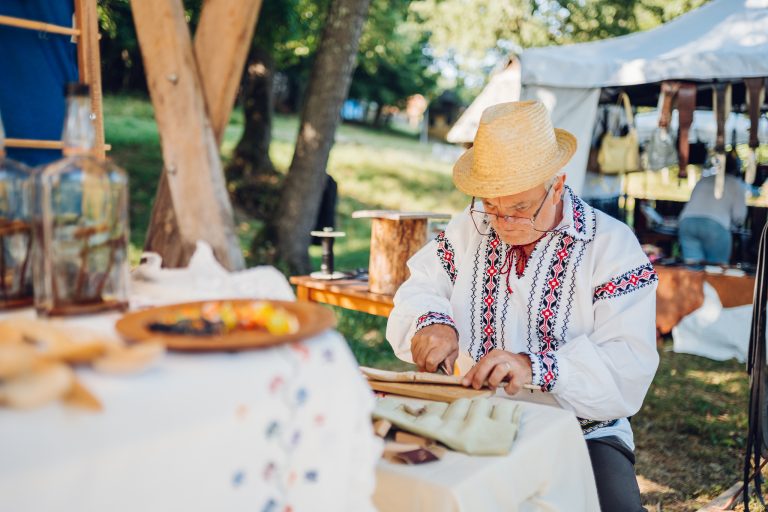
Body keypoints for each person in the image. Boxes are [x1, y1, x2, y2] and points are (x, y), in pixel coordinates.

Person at [386, 101, 659, 512]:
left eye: (518, 208)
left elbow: (629, 366)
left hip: (581, 430)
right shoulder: (471, 225)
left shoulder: (611, 247)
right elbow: (421, 285)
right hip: (474, 417)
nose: (503, 222)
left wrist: (536, 367)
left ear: (559, 183)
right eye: (493, 207)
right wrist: (431, 322)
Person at [678, 151, 747, 265]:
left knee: (693, 270)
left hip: (687, 222)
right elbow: (739, 216)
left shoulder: (704, 179)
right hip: (716, 225)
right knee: (716, 272)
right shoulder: (736, 184)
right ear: (737, 168)